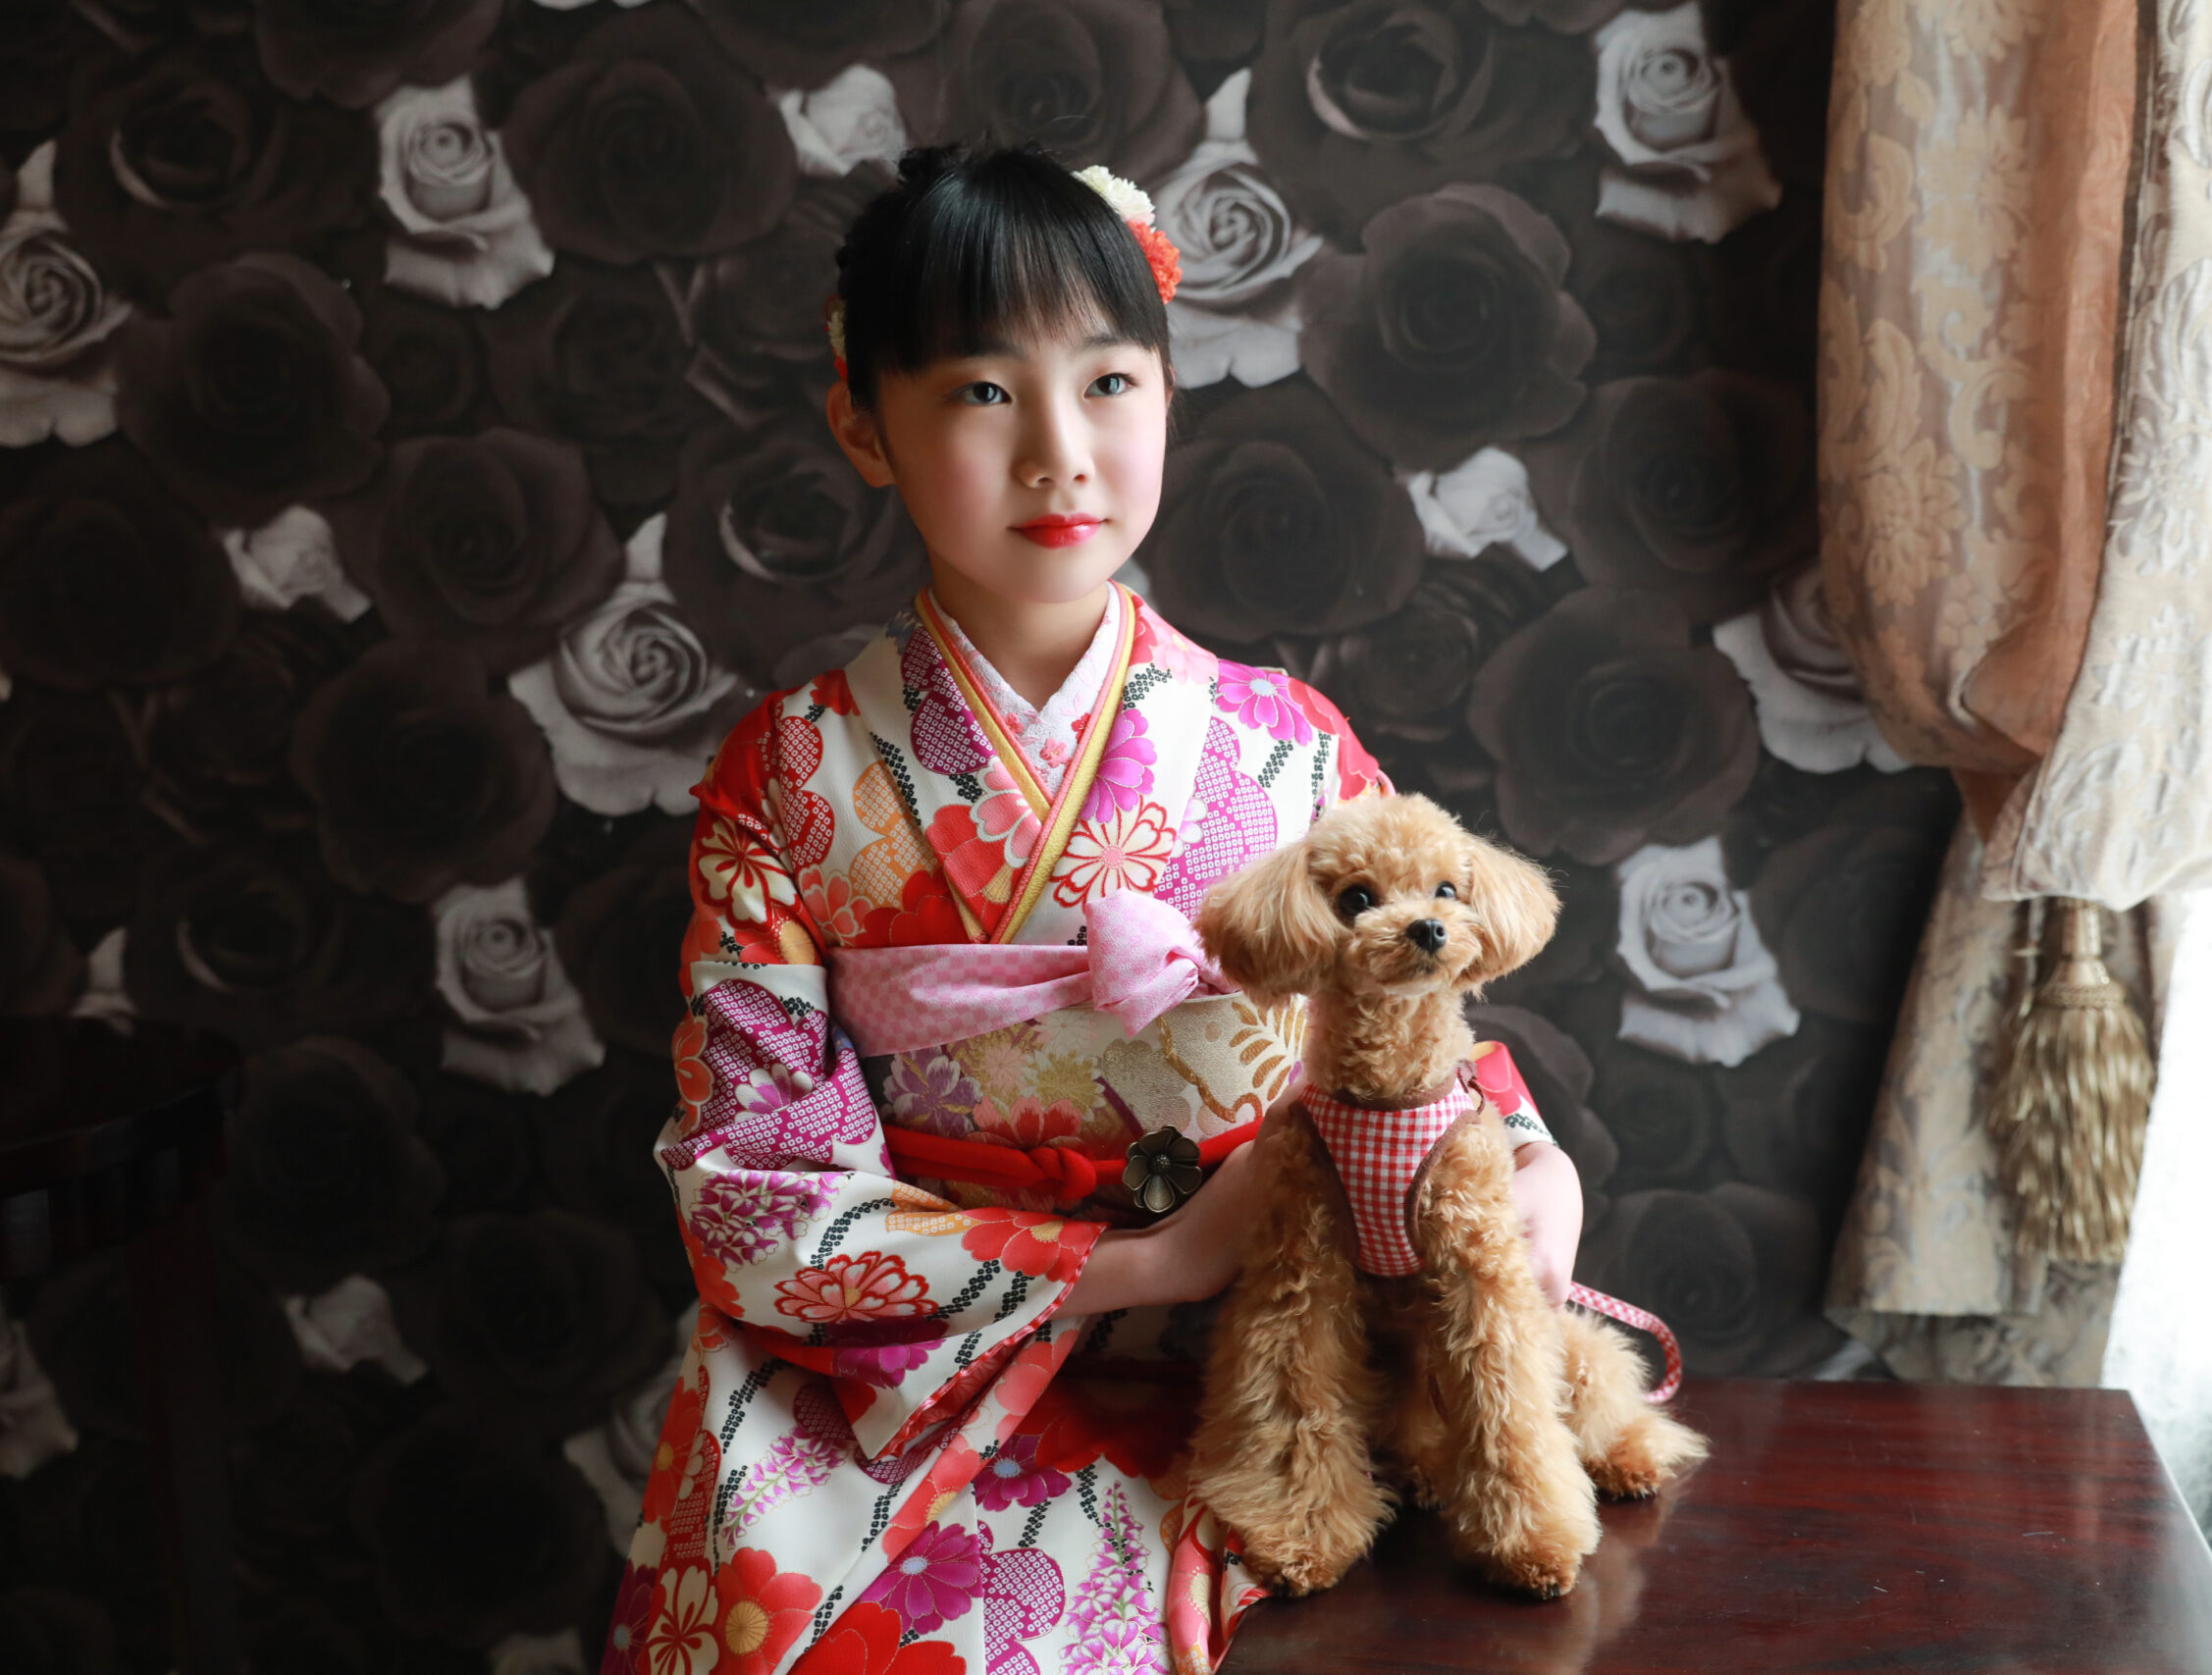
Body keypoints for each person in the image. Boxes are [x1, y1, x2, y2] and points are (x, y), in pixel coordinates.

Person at [607, 144, 1588, 1675]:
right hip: (912, 1368)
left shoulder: (1285, 741)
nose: (1060, 452)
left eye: (1111, 382)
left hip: (1281, 1345)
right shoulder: (790, 774)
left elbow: (1418, 1009)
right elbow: (755, 1200)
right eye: (984, 392)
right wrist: (1145, 1261)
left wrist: (1528, 1164)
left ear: (1169, 397)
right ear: (863, 423)